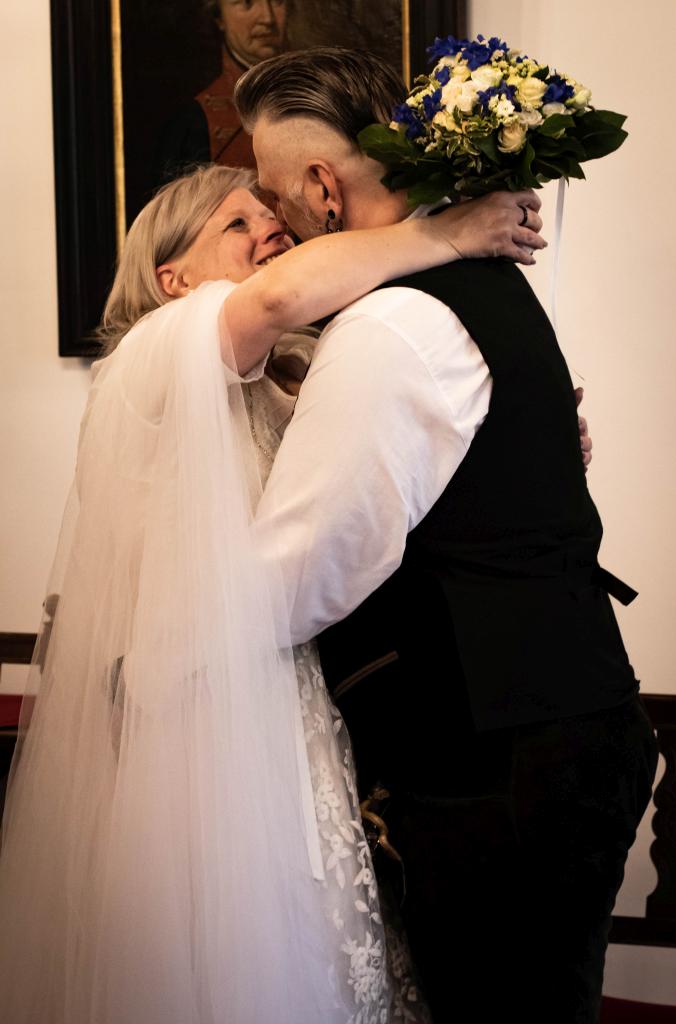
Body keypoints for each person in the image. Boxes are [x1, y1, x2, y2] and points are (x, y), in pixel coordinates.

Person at [0, 164, 543, 1023]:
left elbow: (363, 491)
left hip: (281, 690)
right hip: (195, 707)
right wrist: (445, 232)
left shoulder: (273, 380)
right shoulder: (151, 355)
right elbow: (277, 298)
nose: (270, 233)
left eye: (268, 216)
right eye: (235, 224)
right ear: (171, 279)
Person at [233, 46, 660, 1024]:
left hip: (496, 761)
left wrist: (178, 635)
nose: (272, 220)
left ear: (321, 187)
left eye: (272, 193)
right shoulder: (471, 289)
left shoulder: (391, 325)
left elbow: (308, 569)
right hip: (560, 718)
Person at [156, 0, 288, 180]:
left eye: (277, 1)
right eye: (247, 3)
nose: (268, 18)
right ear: (219, 18)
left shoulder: (315, 93)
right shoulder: (193, 122)